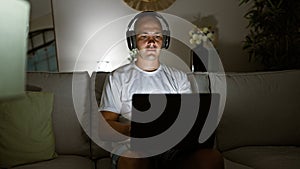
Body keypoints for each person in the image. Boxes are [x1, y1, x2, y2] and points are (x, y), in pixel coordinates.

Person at [99, 11, 224, 169]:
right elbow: (104, 127)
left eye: (157, 36)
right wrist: (132, 130)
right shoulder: (117, 77)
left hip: (173, 149)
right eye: (144, 36)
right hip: (132, 149)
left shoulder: (179, 77)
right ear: (133, 41)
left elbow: (190, 120)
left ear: (164, 41)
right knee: (133, 160)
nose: (151, 41)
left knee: (211, 158)